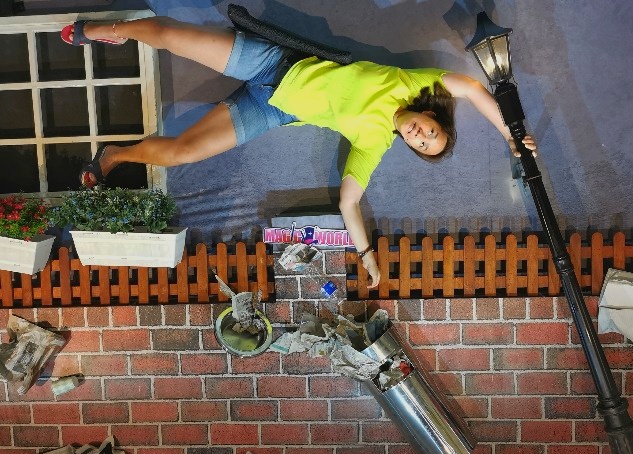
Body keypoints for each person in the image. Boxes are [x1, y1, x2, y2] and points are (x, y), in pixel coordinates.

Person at [61, 17, 537, 289]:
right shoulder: (409, 84)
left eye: (422, 145)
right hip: (275, 65)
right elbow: (472, 88)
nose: (420, 136)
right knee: (170, 36)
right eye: (429, 132)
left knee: (184, 153)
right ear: (431, 114)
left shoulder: (373, 142)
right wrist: (512, 137)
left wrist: (367, 255)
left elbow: (348, 202)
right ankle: (111, 28)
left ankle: (116, 156)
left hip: (271, 109)